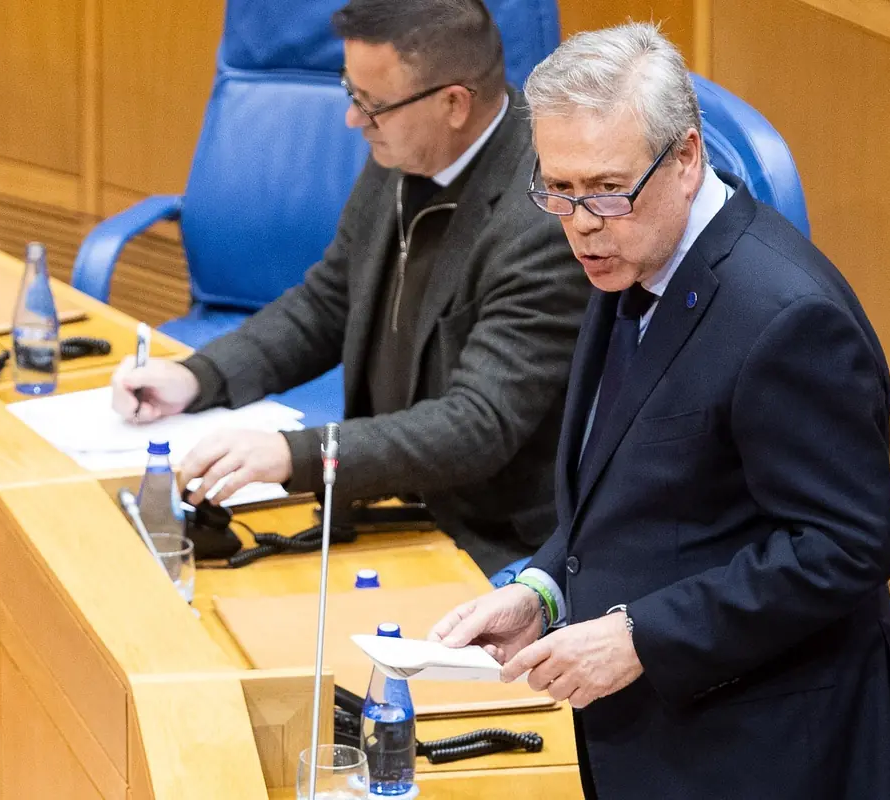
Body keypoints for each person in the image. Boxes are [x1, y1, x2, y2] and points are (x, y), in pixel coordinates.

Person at [428, 22, 890, 799]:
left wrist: (640, 637)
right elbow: (633, 493)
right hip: (655, 737)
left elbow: (844, 548)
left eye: (604, 189)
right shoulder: (633, 254)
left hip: (770, 756)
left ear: (686, 158)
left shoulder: (787, 320)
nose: (580, 221)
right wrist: (544, 591)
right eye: (557, 189)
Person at [110, 0, 589, 574]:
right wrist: (199, 376)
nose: (353, 120)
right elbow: (331, 298)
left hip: (486, 538)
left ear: (453, 104)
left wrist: (296, 455)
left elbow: (477, 424)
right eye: (351, 91)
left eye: (373, 105)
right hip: (385, 496)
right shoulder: (406, 148)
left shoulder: (543, 220)